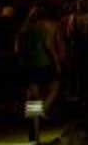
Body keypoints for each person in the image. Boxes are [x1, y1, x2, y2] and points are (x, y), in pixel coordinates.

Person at [15, 7, 65, 135]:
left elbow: (17, 49)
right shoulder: (43, 29)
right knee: (55, 86)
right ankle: (44, 108)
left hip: (28, 66)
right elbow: (49, 46)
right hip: (43, 64)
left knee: (33, 98)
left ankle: (34, 134)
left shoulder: (23, 30)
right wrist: (57, 62)